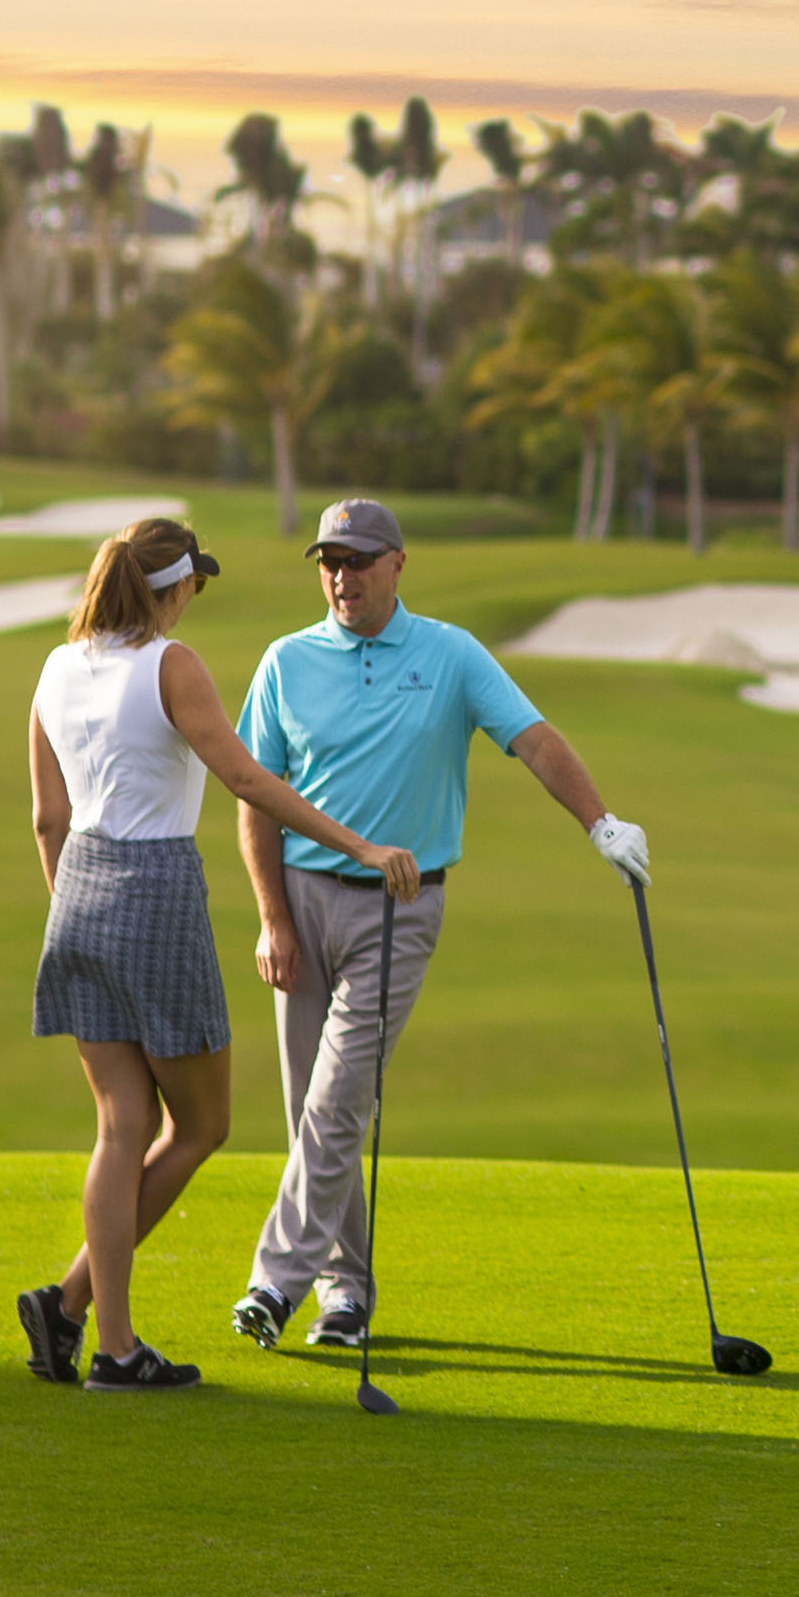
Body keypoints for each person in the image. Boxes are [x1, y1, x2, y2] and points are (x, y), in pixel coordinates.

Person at [230, 496, 649, 1352]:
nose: (341, 576)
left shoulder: (450, 654)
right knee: (313, 1107)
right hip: (301, 900)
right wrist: (272, 917)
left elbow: (534, 739)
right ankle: (346, 1297)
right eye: (329, 561)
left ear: (397, 562)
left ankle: (275, 1282)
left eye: (357, 560)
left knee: (338, 1098)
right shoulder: (285, 660)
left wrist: (601, 823)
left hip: (401, 905)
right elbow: (256, 797)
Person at [18, 514, 417, 1393]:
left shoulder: (55, 665)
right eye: (193, 583)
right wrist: (360, 846)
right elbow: (246, 778)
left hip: (76, 893)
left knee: (119, 1126)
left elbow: (48, 819)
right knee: (200, 1126)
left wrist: (76, 912)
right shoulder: (172, 664)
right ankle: (86, 1317)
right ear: (175, 587)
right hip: (155, 892)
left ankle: (95, 1330)